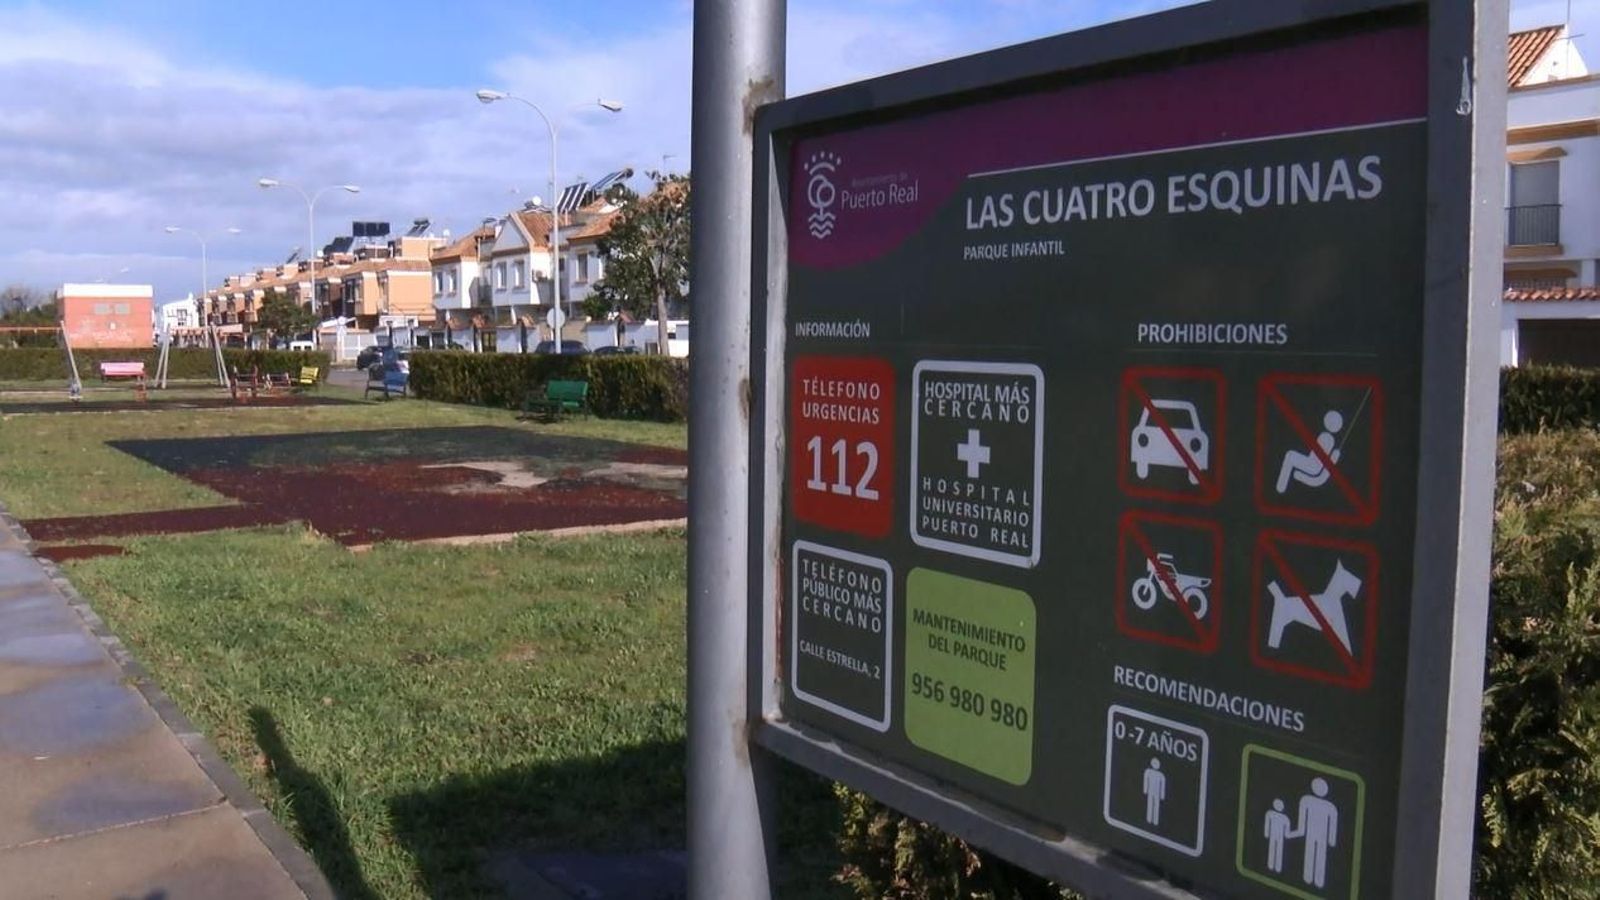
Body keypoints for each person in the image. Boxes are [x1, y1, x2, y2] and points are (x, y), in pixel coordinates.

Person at [1276, 410, 1343, 493]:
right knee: (1291, 456)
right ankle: (1281, 488)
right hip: (1313, 467)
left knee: (1290, 455)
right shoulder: (1328, 438)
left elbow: (1322, 473)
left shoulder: (1326, 437)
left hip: (1312, 466)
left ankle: (1281, 487)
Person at [1297, 777, 1339, 888]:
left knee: (1318, 854)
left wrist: (1331, 840)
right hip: (1312, 833)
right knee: (1311, 853)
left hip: (1321, 835)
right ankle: (1309, 878)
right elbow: (1302, 818)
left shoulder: (1330, 806)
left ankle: (1316, 880)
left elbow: (1333, 823)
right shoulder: (1307, 800)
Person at [1264, 798, 1293, 873]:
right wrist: (1266, 834)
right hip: (1273, 836)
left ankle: (1277, 867)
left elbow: (1287, 833)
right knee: (1272, 848)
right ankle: (1271, 865)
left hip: (1280, 838)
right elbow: (1267, 824)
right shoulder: (1270, 814)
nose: (1281, 806)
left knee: (1279, 850)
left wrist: (1294, 834)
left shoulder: (1285, 818)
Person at [1142, 758, 1166, 827]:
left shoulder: (1161, 775)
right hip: (1150, 791)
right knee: (1150, 803)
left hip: (1157, 793)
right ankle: (1149, 819)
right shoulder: (1148, 771)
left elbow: (1163, 785)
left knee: (1156, 805)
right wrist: (1145, 790)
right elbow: (1146, 780)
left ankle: (1155, 821)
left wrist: (1162, 795)